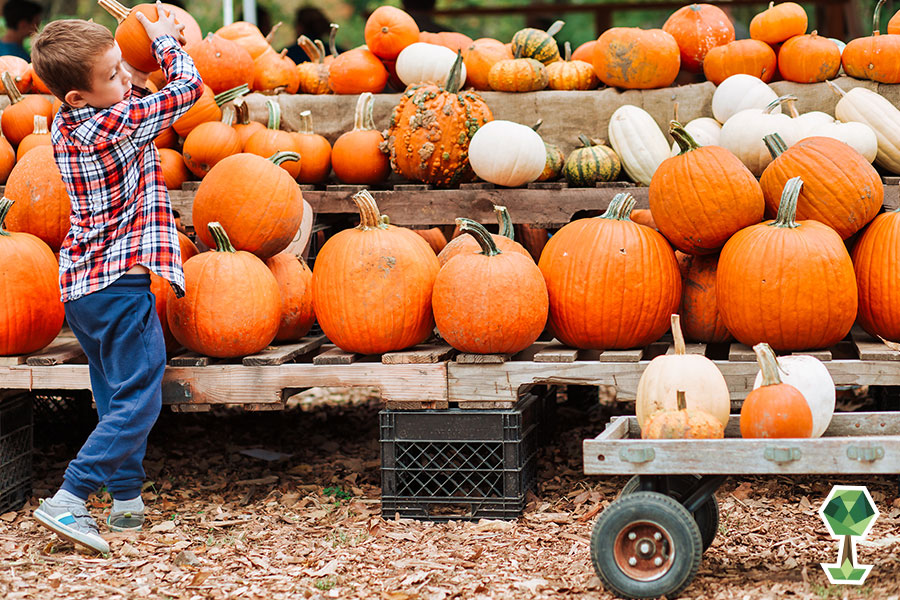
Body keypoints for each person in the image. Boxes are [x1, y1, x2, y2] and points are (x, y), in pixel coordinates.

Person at [28, 2, 202, 555]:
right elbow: (190, 90)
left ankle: (126, 499)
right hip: (120, 287)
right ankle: (70, 498)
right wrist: (165, 40)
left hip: (81, 287)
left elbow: (136, 102)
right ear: (79, 95)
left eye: (123, 66)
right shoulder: (116, 122)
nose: (125, 78)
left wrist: (125, 74)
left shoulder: (65, 122)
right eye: (111, 76)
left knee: (114, 394)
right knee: (141, 399)